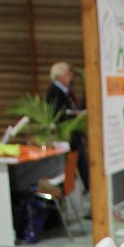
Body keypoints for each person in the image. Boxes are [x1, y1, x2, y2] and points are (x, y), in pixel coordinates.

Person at [46, 61, 89, 193]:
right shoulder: (54, 90)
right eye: (67, 74)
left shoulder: (67, 90)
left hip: (73, 130)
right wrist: (74, 114)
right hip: (64, 133)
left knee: (80, 159)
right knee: (72, 161)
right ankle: (74, 190)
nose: (70, 77)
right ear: (59, 75)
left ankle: (86, 188)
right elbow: (57, 112)